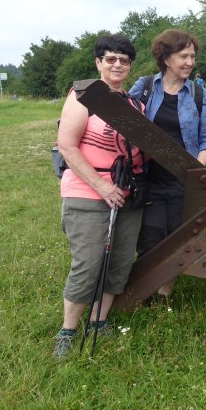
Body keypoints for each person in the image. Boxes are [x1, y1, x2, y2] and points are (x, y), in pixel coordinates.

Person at [53, 34, 146, 358]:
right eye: (110, 59)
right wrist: (102, 187)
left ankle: (99, 320)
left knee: (119, 261)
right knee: (89, 263)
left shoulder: (135, 105)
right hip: (89, 192)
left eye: (123, 60)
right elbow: (67, 145)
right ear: (98, 63)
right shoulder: (83, 97)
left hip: (127, 194)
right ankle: (68, 330)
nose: (117, 64)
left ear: (130, 65)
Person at [128, 29, 206, 299]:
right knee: (151, 236)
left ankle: (165, 292)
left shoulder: (198, 93)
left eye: (192, 56)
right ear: (166, 58)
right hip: (150, 178)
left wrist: (193, 171)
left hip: (184, 180)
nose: (190, 62)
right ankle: (146, 289)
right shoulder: (143, 88)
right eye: (183, 56)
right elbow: (125, 124)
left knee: (178, 235)